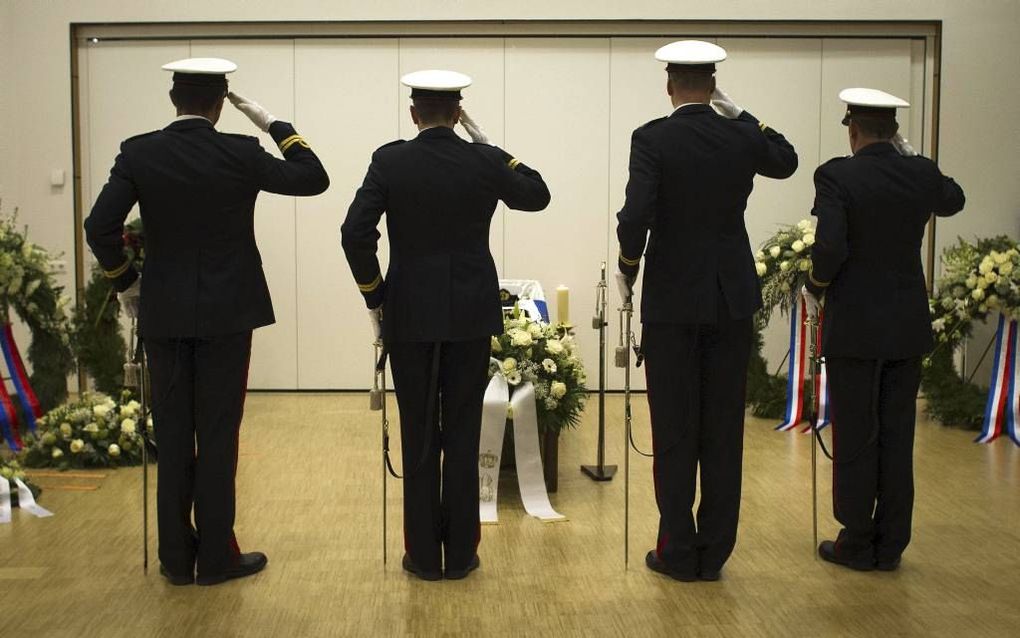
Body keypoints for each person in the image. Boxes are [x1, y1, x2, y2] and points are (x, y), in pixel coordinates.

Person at [84, 57, 329, 586]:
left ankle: (175, 558)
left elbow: (99, 226)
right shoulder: (240, 151)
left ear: (174, 101)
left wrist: (126, 282)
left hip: (165, 314)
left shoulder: (139, 152)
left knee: (172, 437)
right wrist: (275, 126)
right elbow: (314, 179)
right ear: (220, 105)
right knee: (218, 435)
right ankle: (216, 556)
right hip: (228, 313)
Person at [341, 69, 550, 581]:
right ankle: (460, 554)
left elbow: (354, 234)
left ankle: (422, 556)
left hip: (409, 316)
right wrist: (492, 146)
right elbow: (537, 193)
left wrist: (377, 296)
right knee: (462, 434)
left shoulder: (389, 160)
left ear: (414, 115)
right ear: (458, 114)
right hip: (469, 316)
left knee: (418, 436)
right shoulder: (482, 161)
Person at [616, 40, 798, 582]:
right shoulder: (740, 135)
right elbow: (785, 161)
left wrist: (628, 265)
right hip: (729, 298)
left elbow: (637, 214)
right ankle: (714, 551)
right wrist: (743, 115)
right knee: (722, 428)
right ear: (714, 85)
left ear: (669, 85)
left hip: (672, 299)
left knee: (674, 426)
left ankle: (676, 549)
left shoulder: (652, 138)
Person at [803, 88, 965, 572]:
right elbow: (954, 199)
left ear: (852, 130)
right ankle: (891, 542)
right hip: (904, 325)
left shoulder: (837, 174)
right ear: (895, 133)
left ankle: (856, 539)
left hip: (855, 325)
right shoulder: (920, 173)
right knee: (897, 432)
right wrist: (915, 159)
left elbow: (830, 247)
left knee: (856, 431)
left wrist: (815, 283)